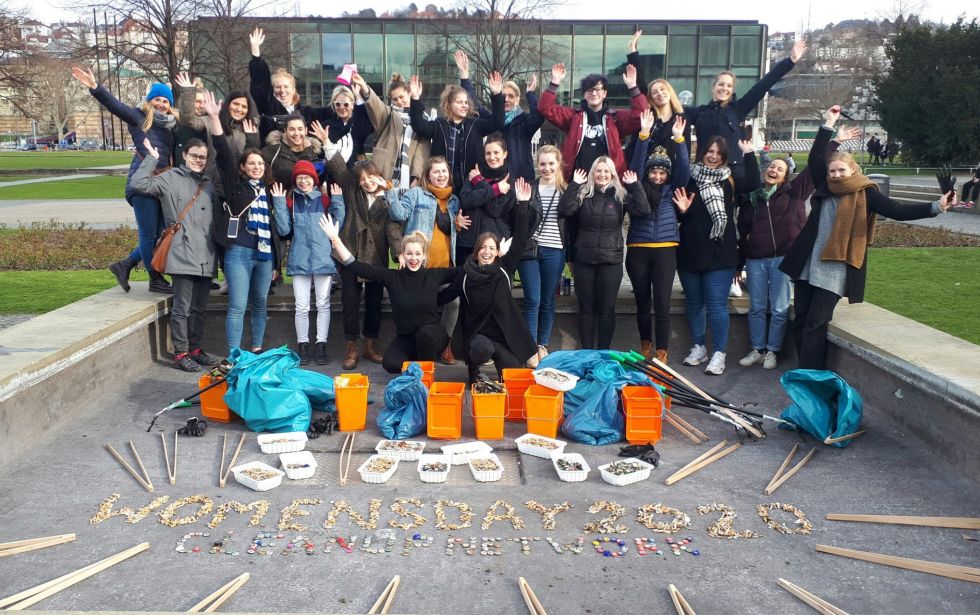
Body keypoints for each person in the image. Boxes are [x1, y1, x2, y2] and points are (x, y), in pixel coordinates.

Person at [779, 107, 954, 370]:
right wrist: (828, 124)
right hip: (808, 264)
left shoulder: (866, 193)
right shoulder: (825, 186)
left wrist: (936, 207)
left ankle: (811, 377)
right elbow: (816, 157)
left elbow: (897, 211)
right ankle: (804, 371)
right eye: (832, 171)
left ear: (852, 169)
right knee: (801, 318)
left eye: (840, 171)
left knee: (816, 322)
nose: (835, 175)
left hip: (835, 268)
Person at [737, 122, 860, 370]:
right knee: (758, 307)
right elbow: (743, 232)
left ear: (786, 176)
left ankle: (772, 351)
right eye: (771, 166)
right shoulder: (753, 199)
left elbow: (816, 163)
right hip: (756, 259)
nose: (774, 170)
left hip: (784, 259)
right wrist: (739, 264)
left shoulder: (796, 191)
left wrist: (836, 140)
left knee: (780, 308)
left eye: (779, 169)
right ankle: (757, 348)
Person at [72, 66, 176, 294]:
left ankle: (125, 264)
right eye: (157, 99)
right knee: (149, 235)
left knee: (160, 234)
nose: (161, 104)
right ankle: (155, 279)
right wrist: (95, 88)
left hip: (161, 186)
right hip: (142, 185)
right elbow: (115, 106)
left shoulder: (171, 126)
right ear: (149, 102)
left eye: (166, 101)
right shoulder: (139, 118)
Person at [313, 122, 404, 370]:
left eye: (369, 177)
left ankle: (370, 345)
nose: (365, 182)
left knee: (374, 303)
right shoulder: (352, 189)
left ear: (378, 175)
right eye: (362, 179)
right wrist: (327, 143)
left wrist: (399, 255)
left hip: (375, 259)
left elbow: (394, 231)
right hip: (349, 253)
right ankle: (351, 347)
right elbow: (340, 169)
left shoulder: (388, 200)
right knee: (350, 303)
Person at [319, 223, 460, 374]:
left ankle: (425, 373)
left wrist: (485, 256)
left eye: (418, 254)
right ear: (403, 254)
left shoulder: (433, 275)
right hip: (407, 338)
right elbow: (356, 266)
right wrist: (335, 240)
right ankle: (416, 363)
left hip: (433, 336)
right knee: (390, 364)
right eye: (409, 253)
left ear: (424, 255)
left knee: (426, 335)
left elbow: (463, 271)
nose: (413, 258)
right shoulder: (393, 277)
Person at [131, 137, 220, 371]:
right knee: (182, 307)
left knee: (200, 307)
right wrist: (152, 159)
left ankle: (195, 348)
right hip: (182, 251)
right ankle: (181, 353)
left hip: (206, 254)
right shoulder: (170, 178)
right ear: (185, 155)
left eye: (202, 157)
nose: (199, 160)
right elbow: (138, 184)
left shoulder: (209, 183)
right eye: (195, 156)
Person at [673, 136, 760, 375]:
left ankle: (719, 353)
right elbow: (679, 212)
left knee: (716, 304)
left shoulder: (728, 179)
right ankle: (699, 347)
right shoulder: (689, 178)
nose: (713, 156)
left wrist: (749, 153)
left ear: (724, 156)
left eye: (718, 153)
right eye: (709, 151)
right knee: (694, 303)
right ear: (702, 153)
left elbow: (754, 180)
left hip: (720, 251)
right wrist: (681, 212)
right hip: (691, 250)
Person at [201, 92, 275, 354]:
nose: (257, 167)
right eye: (251, 164)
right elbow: (221, 152)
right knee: (238, 305)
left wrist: (276, 261)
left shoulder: (269, 191)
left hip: (264, 255)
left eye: (260, 164)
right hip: (239, 252)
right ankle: (234, 353)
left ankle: (256, 348)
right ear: (242, 167)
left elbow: (277, 231)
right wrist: (214, 118)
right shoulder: (236, 186)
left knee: (261, 303)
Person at [439, 184, 535, 383]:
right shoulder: (466, 274)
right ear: (476, 251)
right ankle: (474, 369)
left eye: (491, 248)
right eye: (482, 247)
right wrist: (417, 293)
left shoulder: (504, 269)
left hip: (503, 337)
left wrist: (523, 205)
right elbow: (444, 296)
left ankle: (503, 364)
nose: (487, 252)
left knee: (512, 379)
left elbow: (519, 241)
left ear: (497, 251)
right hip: (478, 337)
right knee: (482, 349)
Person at [558, 157, 650, 350]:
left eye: (606, 171)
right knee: (586, 309)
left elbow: (643, 210)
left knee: (606, 310)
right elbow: (565, 209)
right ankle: (587, 351)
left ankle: (604, 351)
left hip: (611, 261)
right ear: (593, 173)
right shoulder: (583, 194)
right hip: (584, 260)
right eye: (598, 171)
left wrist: (635, 186)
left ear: (612, 174)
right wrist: (574, 184)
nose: (602, 175)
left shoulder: (620, 195)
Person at [387, 156, 470, 364]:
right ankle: (418, 345)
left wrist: (457, 225)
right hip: (422, 267)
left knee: (454, 303)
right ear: (428, 176)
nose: (441, 176)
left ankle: (446, 344)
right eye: (436, 172)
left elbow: (450, 232)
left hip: (444, 266)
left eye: (444, 171)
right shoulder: (416, 194)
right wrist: (390, 192)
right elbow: (398, 214)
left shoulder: (454, 200)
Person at [685, 40, 806, 179]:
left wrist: (790, 61)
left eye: (729, 86)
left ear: (732, 90)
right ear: (713, 87)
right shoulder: (700, 112)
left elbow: (764, 84)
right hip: (703, 172)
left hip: (732, 173)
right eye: (721, 84)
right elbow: (673, 109)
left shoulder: (738, 109)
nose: (724, 88)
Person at [625, 112, 690, 363]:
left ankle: (662, 350)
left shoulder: (673, 189)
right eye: (654, 172)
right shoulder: (638, 187)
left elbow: (683, 169)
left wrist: (680, 140)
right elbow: (637, 166)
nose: (657, 176)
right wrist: (643, 136)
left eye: (662, 173)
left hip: (665, 248)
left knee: (662, 302)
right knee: (642, 301)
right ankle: (645, 344)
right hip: (638, 248)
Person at [270, 163, 345, 365]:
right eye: (300, 177)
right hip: (300, 259)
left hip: (322, 258)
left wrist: (337, 200)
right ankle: (302, 345)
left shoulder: (324, 200)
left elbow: (338, 224)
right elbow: (284, 229)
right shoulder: (291, 201)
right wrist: (278, 202)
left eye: (307, 177)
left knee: (323, 304)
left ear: (314, 179)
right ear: (295, 181)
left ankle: (321, 345)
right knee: (301, 307)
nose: (304, 181)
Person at [538, 62, 648, 179]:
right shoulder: (573, 117)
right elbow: (545, 108)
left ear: (605, 93)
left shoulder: (614, 118)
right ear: (584, 94)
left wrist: (632, 87)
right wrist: (555, 82)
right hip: (578, 182)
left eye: (598, 89)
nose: (594, 93)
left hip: (607, 182)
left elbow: (641, 115)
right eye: (589, 90)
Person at [516, 145, 568, 368]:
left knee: (547, 300)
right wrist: (522, 202)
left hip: (555, 249)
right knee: (533, 299)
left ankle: (542, 344)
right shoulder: (530, 188)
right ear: (538, 164)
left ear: (558, 164)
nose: (546, 168)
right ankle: (529, 346)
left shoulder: (567, 190)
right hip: (530, 249)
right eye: (543, 163)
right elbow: (520, 220)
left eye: (551, 163)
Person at [455, 51, 544, 182]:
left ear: (518, 100)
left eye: (511, 96)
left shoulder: (524, 122)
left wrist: (530, 93)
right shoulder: (492, 120)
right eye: (503, 96)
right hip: (495, 182)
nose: (506, 99)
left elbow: (539, 116)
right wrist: (465, 76)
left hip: (521, 182)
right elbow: (472, 103)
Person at [409, 72, 505, 192]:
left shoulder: (475, 125)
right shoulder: (439, 125)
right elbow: (418, 125)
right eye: (459, 102)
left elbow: (498, 122)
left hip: (469, 187)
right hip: (443, 186)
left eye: (466, 102)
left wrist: (496, 94)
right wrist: (415, 98)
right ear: (449, 104)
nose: (464, 106)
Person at [176, 72, 260, 198]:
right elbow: (188, 120)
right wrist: (188, 92)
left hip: (240, 188)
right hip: (214, 185)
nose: (239, 109)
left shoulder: (250, 128)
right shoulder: (213, 120)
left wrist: (252, 139)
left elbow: (253, 157)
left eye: (244, 106)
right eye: (236, 104)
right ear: (228, 104)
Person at [248, 27, 334, 140]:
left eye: (286, 87)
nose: (282, 91)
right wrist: (256, 52)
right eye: (278, 87)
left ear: (293, 89)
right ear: (272, 90)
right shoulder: (268, 107)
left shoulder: (307, 112)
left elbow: (336, 110)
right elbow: (260, 84)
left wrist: (351, 97)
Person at [350, 72, 431, 191]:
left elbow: (423, 149)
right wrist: (364, 86)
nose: (399, 101)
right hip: (384, 170)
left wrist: (417, 176)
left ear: (409, 93)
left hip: (407, 174)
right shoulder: (389, 114)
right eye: (395, 99)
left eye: (401, 97)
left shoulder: (423, 118)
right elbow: (375, 105)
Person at [625, 30, 691, 165]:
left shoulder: (681, 119)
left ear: (670, 91)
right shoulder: (648, 115)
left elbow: (685, 152)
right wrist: (633, 51)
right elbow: (640, 83)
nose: (659, 93)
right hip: (641, 171)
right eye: (655, 92)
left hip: (666, 175)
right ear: (650, 98)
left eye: (662, 89)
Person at [457, 134, 515, 266]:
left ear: (505, 154)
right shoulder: (474, 174)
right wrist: (495, 190)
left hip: (494, 244)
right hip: (469, 242)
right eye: (488, 153)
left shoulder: (509, 181)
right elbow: (465, 200)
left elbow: (495, 209)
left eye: (496, 152)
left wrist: (480, 183)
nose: (492, 157)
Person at [261, 114, 324, 188]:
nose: (296, 133)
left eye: (300, 129)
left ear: (306, 131)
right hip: (279, 197)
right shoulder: (273, 150)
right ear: (285, 131)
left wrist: (308, 151)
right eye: (292, 129)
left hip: (305, 198)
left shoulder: (314, 151)